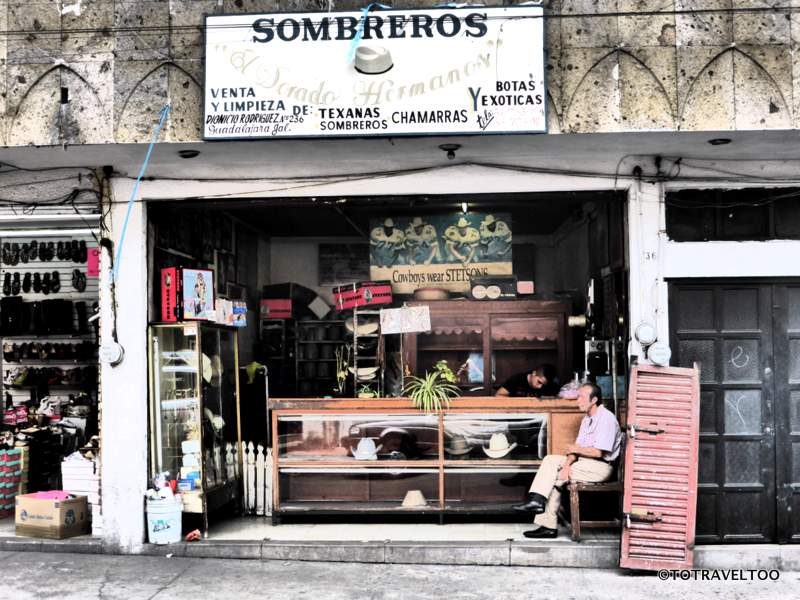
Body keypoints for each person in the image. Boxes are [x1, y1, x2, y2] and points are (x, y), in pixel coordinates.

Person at [512, 382, 622, 538]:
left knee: (555, 478)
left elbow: (598, 452)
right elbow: (575, 449)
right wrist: (567, 465)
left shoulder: (606, 419)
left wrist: (574, 451)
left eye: (582, 397)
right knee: (550, 460)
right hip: (583, 463)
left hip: (601, 468)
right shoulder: (586, 420)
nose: (578, 401)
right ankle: (536, 500)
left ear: (594, 400)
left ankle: (548, 525)